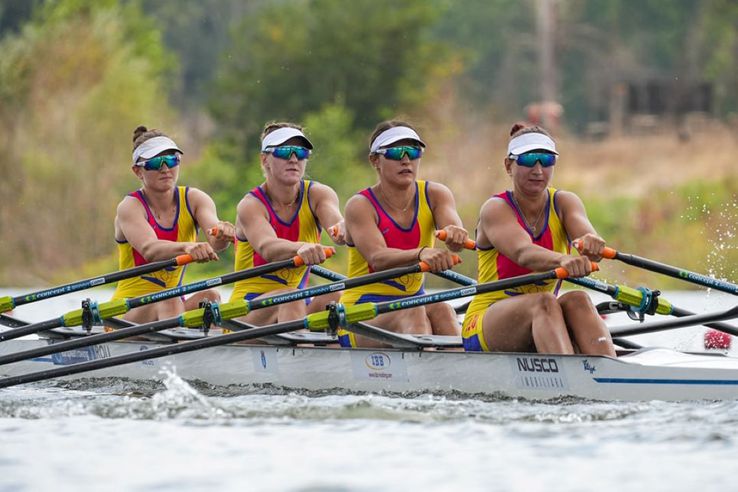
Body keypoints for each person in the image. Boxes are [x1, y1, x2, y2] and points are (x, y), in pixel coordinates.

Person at [462, 123, 616, 356]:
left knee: (578, 300)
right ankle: (569, 380)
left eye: (546, 160)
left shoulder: (565, 202)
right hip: (486, 321)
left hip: (543, 315)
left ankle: (610, 373)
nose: (537, 169)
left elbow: (586, 237)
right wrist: (563, 260)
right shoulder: (495, 209)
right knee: (543, 302)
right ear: (508, 165)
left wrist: (592, 244)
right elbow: (523, 253)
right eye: (528, 160)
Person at [338, 120, 470, 348]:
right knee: (414, 312)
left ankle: (464, 376)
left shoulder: (436, 194)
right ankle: (426, 381)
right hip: (360, 312)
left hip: (411, 304)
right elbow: (377, 258)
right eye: (396, 152)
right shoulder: (360, 205)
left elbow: (453, 237)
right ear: (375, 161)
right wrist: (421, 253)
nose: (406, 159)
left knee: (443, 310)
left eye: (413, 151)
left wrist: (454, 235)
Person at [112, 126, 235, 323]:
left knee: (211, 297)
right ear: (137, 171)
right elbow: (149, 249)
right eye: (154, 163)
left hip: (172, 307)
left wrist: (223, 234)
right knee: (169, 300)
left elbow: (215, 239)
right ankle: (180, 345)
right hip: (128, 311)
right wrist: (188, 247)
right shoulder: (130, 206)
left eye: (171, 160)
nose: (165, 168)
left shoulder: (195, 199)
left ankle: (208, 350)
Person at [229, 122, 345, 325]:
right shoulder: (251, 205)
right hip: (247, 310)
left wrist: (345, 229)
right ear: (265, 159)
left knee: (340, 296)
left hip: (297, 303)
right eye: (284, 152)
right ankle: (303, 350)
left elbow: (337, 227)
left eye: (301, 152)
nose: (293, 159)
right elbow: (267, 247)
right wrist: (301, 247)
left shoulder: (318, 194)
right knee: (291, 298)